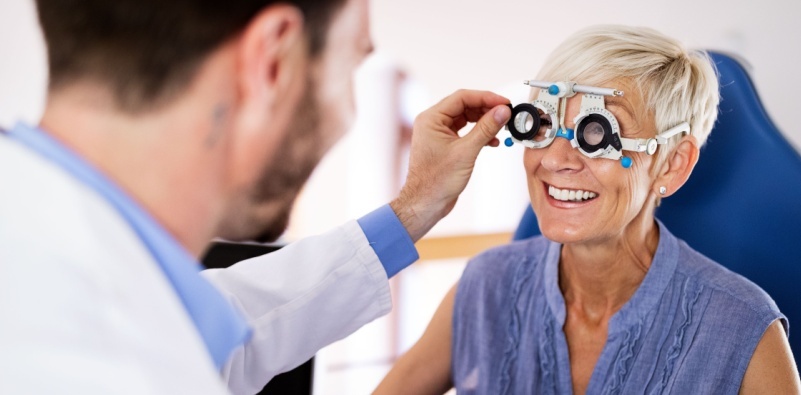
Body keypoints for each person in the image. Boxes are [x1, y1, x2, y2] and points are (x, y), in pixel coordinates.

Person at [0, 0, 513, 393]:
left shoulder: (53, 265)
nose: (348, 112)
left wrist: (411, 211)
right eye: (352, 64)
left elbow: (224, 319)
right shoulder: (104, 364)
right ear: (273, 60)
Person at [375, 25, 801, 394]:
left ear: (673, 164)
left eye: (595, 132)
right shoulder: (486, 286)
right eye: (540, 123)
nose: (556, 159)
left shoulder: (747, 332)